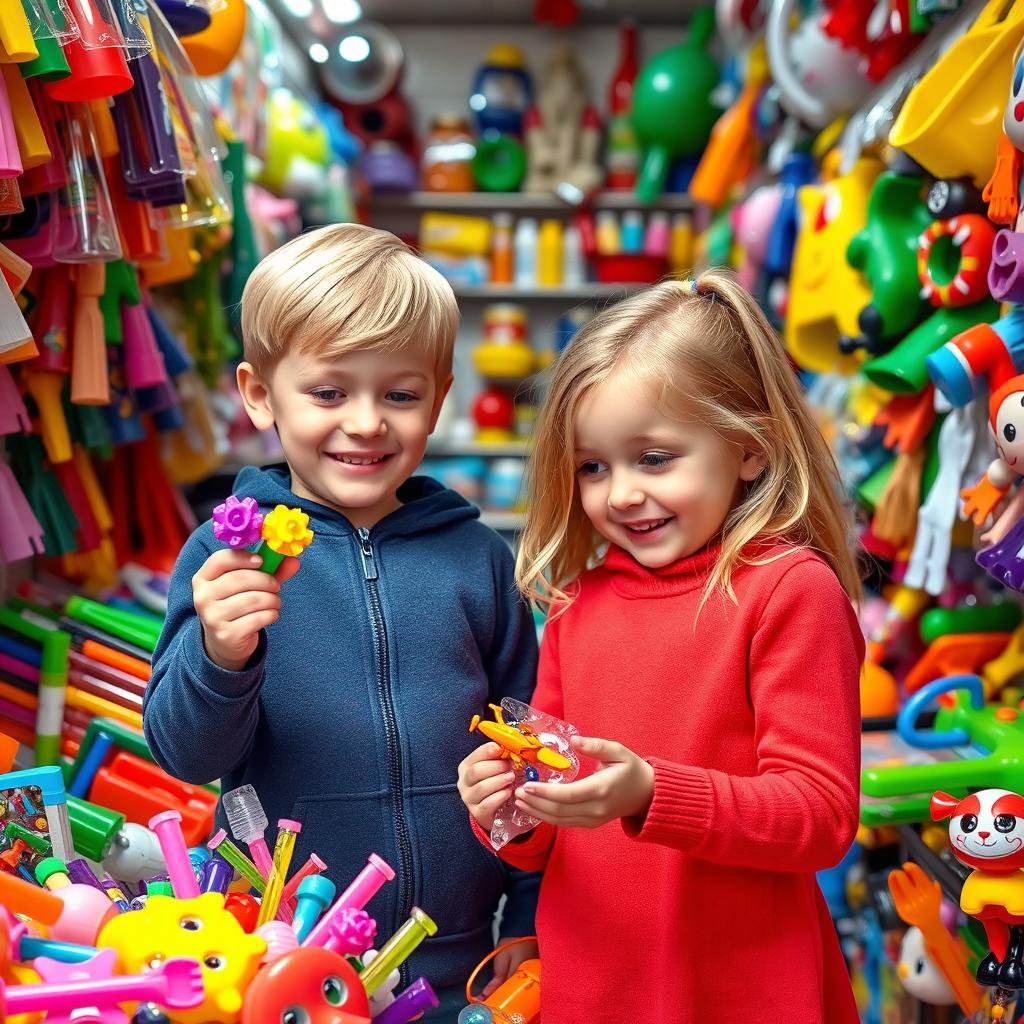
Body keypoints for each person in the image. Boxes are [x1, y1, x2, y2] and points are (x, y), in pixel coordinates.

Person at [145, 224, 539, 1015]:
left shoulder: (478, 559)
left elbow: (533, 757)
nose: (366, 423)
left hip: (461, 960)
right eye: (329, 393)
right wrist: (222, 655)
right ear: (261, 394)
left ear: (439, 396)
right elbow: (185, 754)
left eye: (400, 394)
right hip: (285, 959)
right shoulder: (230, 555)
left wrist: (528, 917)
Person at [458, 269, 864, 1023]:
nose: (619, 494)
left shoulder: (789, 591)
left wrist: (651, 792)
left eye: (654, 458)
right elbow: (547, 834)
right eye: (592, 466)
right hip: (595, 987)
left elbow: (820, 816)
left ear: (749, 448)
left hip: (740, 994)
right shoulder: (578, 607)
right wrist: (509, 810)